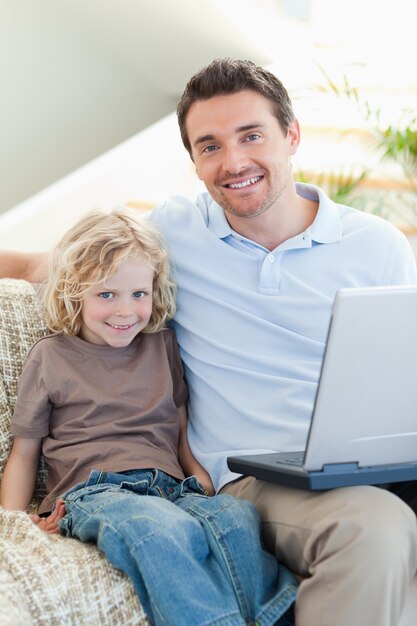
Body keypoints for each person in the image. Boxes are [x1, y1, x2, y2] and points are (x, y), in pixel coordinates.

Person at [1, 58, 417, 626]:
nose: (234, 161)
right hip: (253, 481)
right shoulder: (171, 235)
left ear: (291, 135)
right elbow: (48, 266)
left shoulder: (378, 245)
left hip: (367, 465)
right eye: (210, 145)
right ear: (194, 162)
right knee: (374, 525)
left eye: (251, 136)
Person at [0, 208, 297, 626]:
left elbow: (176, 419)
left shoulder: (162, 346)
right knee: (155, 530)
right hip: (96, 490)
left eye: (139, 294)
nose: (126, 311)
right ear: (73, 292)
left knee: (236, 519)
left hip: (172, 485)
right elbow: (24, 452)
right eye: (107, 295)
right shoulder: (50, 357)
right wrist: (11, 523)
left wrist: (196, 471)